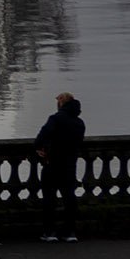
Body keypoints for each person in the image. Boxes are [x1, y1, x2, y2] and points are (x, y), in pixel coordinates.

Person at [36, 91, 86, 242]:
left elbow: (42, 136)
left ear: (61, 103)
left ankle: (49, 232)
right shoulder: (79, 123)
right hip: (70, 165)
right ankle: (70, 232)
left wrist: (40, 147)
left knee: (49, 199)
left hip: (53, 164)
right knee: (69, 199)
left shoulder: (55, 119)